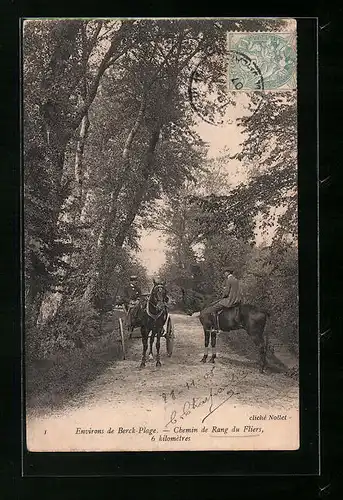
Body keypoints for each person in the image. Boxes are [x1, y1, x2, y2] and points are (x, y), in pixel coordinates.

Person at [205, 267, 242, 331]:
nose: (224, 274)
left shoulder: (229, 280)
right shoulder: (236, 280)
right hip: (237, 300)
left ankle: (215, 328)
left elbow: (226, 293)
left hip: (230, 300)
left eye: (224, 273)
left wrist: (223, 294)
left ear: (228, 272)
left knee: (213, 309)